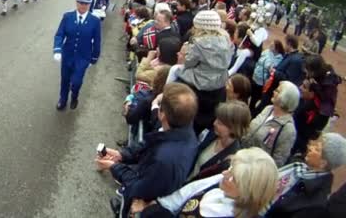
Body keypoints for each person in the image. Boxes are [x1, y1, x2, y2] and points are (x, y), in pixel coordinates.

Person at [96, 83, 199, 218]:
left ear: (162, 115)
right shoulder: (184, 130)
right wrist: (122, 155)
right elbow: (153, 141)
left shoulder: (164, 161)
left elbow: (138, 188)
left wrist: (114, 167)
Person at [134, 147, 278, 218]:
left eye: (232, 176)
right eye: (230, 168)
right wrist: (153, 207)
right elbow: (187, 193)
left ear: (247, 192)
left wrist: (151, 212)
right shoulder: (221, 184)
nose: (224, 174)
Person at [172, 10, 233, 134]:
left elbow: (188, 63)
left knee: (174, 71)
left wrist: (186, 51)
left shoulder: (199, 43)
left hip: (199, 84)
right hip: (219, 87)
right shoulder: (227, 41)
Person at [267, 133, 346, 217]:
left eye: (317, 149)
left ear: (323, 163)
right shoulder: (299, 165)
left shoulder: (315, 203)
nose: (310, 148)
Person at [53, 0, 101, 110]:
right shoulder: (68, 16)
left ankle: (74, 96)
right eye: (81, 3)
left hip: (83, 56)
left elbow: (97, 40)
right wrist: (57, 50)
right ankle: (62, 99)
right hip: (68, 54)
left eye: (86, 4)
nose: (83, 6)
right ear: (76, 3)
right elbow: (59, 34)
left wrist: (94, 58)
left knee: (76, 82)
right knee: (65, 79)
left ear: (89, 5)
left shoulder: (95, 21)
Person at [188, 101, 251, 182]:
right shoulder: (212, 133)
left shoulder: (231, 159)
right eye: (216, 119)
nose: (214, 123)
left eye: (220, 123)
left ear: (233, 128)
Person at [292, 55, 342, 155]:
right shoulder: (316, 76)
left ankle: (297, 153)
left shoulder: (329, 83)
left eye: (308, 70)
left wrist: (314, 90)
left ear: (315, 70)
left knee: (302, 139)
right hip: (307, 111)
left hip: (314, 118)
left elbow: (326, 105)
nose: (306, 72)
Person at [243, 81, 299, 167]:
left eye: (277, 91)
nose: (273, 91)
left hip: (255, 167)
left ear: (285, 98)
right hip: (242, 154)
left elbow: (278, 161)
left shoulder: (288, 129)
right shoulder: (268, 109)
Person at [256, 34, 304, 117]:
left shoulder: (295, 60)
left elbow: (288, 78)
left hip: (277, 91)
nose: (284, 46)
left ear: (289, 44)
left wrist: (274, 72)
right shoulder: (289, 55)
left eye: (285, 43)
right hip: (272, 88)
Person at [250, 39, 285, 113]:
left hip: (263, 81)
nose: (270, 46)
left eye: (272, 45)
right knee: (252, 96)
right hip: (255, 76)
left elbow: (270, 68)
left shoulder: (279, 59)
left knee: (257, 98)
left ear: (277, 48)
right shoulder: (266, 52)